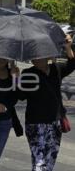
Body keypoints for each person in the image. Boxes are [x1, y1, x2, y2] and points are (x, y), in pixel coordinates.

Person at [19, 34, 75, 171]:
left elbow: (72, 63)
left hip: (55, 122)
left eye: (39, 55)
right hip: (36, 123)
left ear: (47, 56)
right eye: (33, 57)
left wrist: (68, 47)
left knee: (50, 159)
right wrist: (15, 78)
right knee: (39, 162)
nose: (36, 59)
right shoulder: (28, 74)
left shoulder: (56, 69)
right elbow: (20, 96)